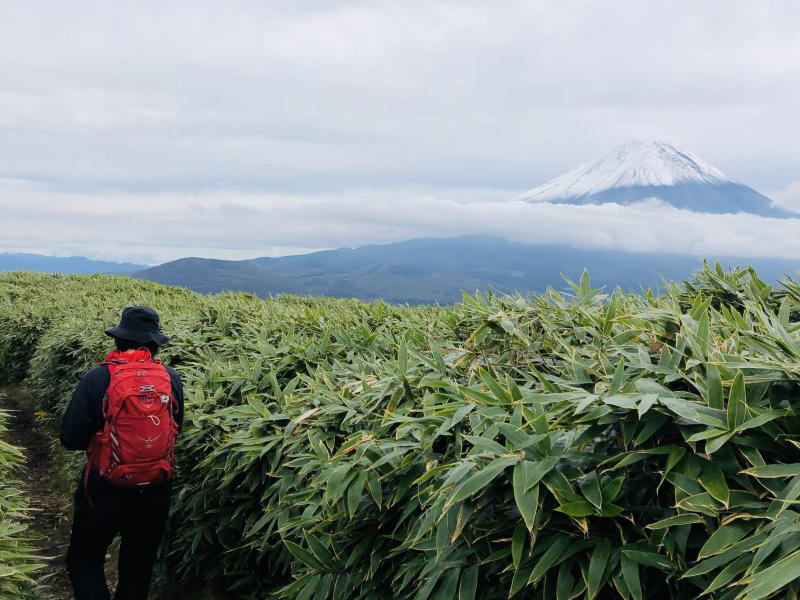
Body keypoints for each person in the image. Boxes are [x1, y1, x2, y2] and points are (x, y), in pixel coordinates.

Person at [60, 306, 184, 600]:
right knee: (138, 568)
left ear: (119, 340)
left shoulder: (97, 378)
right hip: (155, 486)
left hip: (104, 486)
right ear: (155, 344)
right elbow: (177, 427)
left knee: (84, 560)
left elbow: (70, 437)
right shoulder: (170, 378)